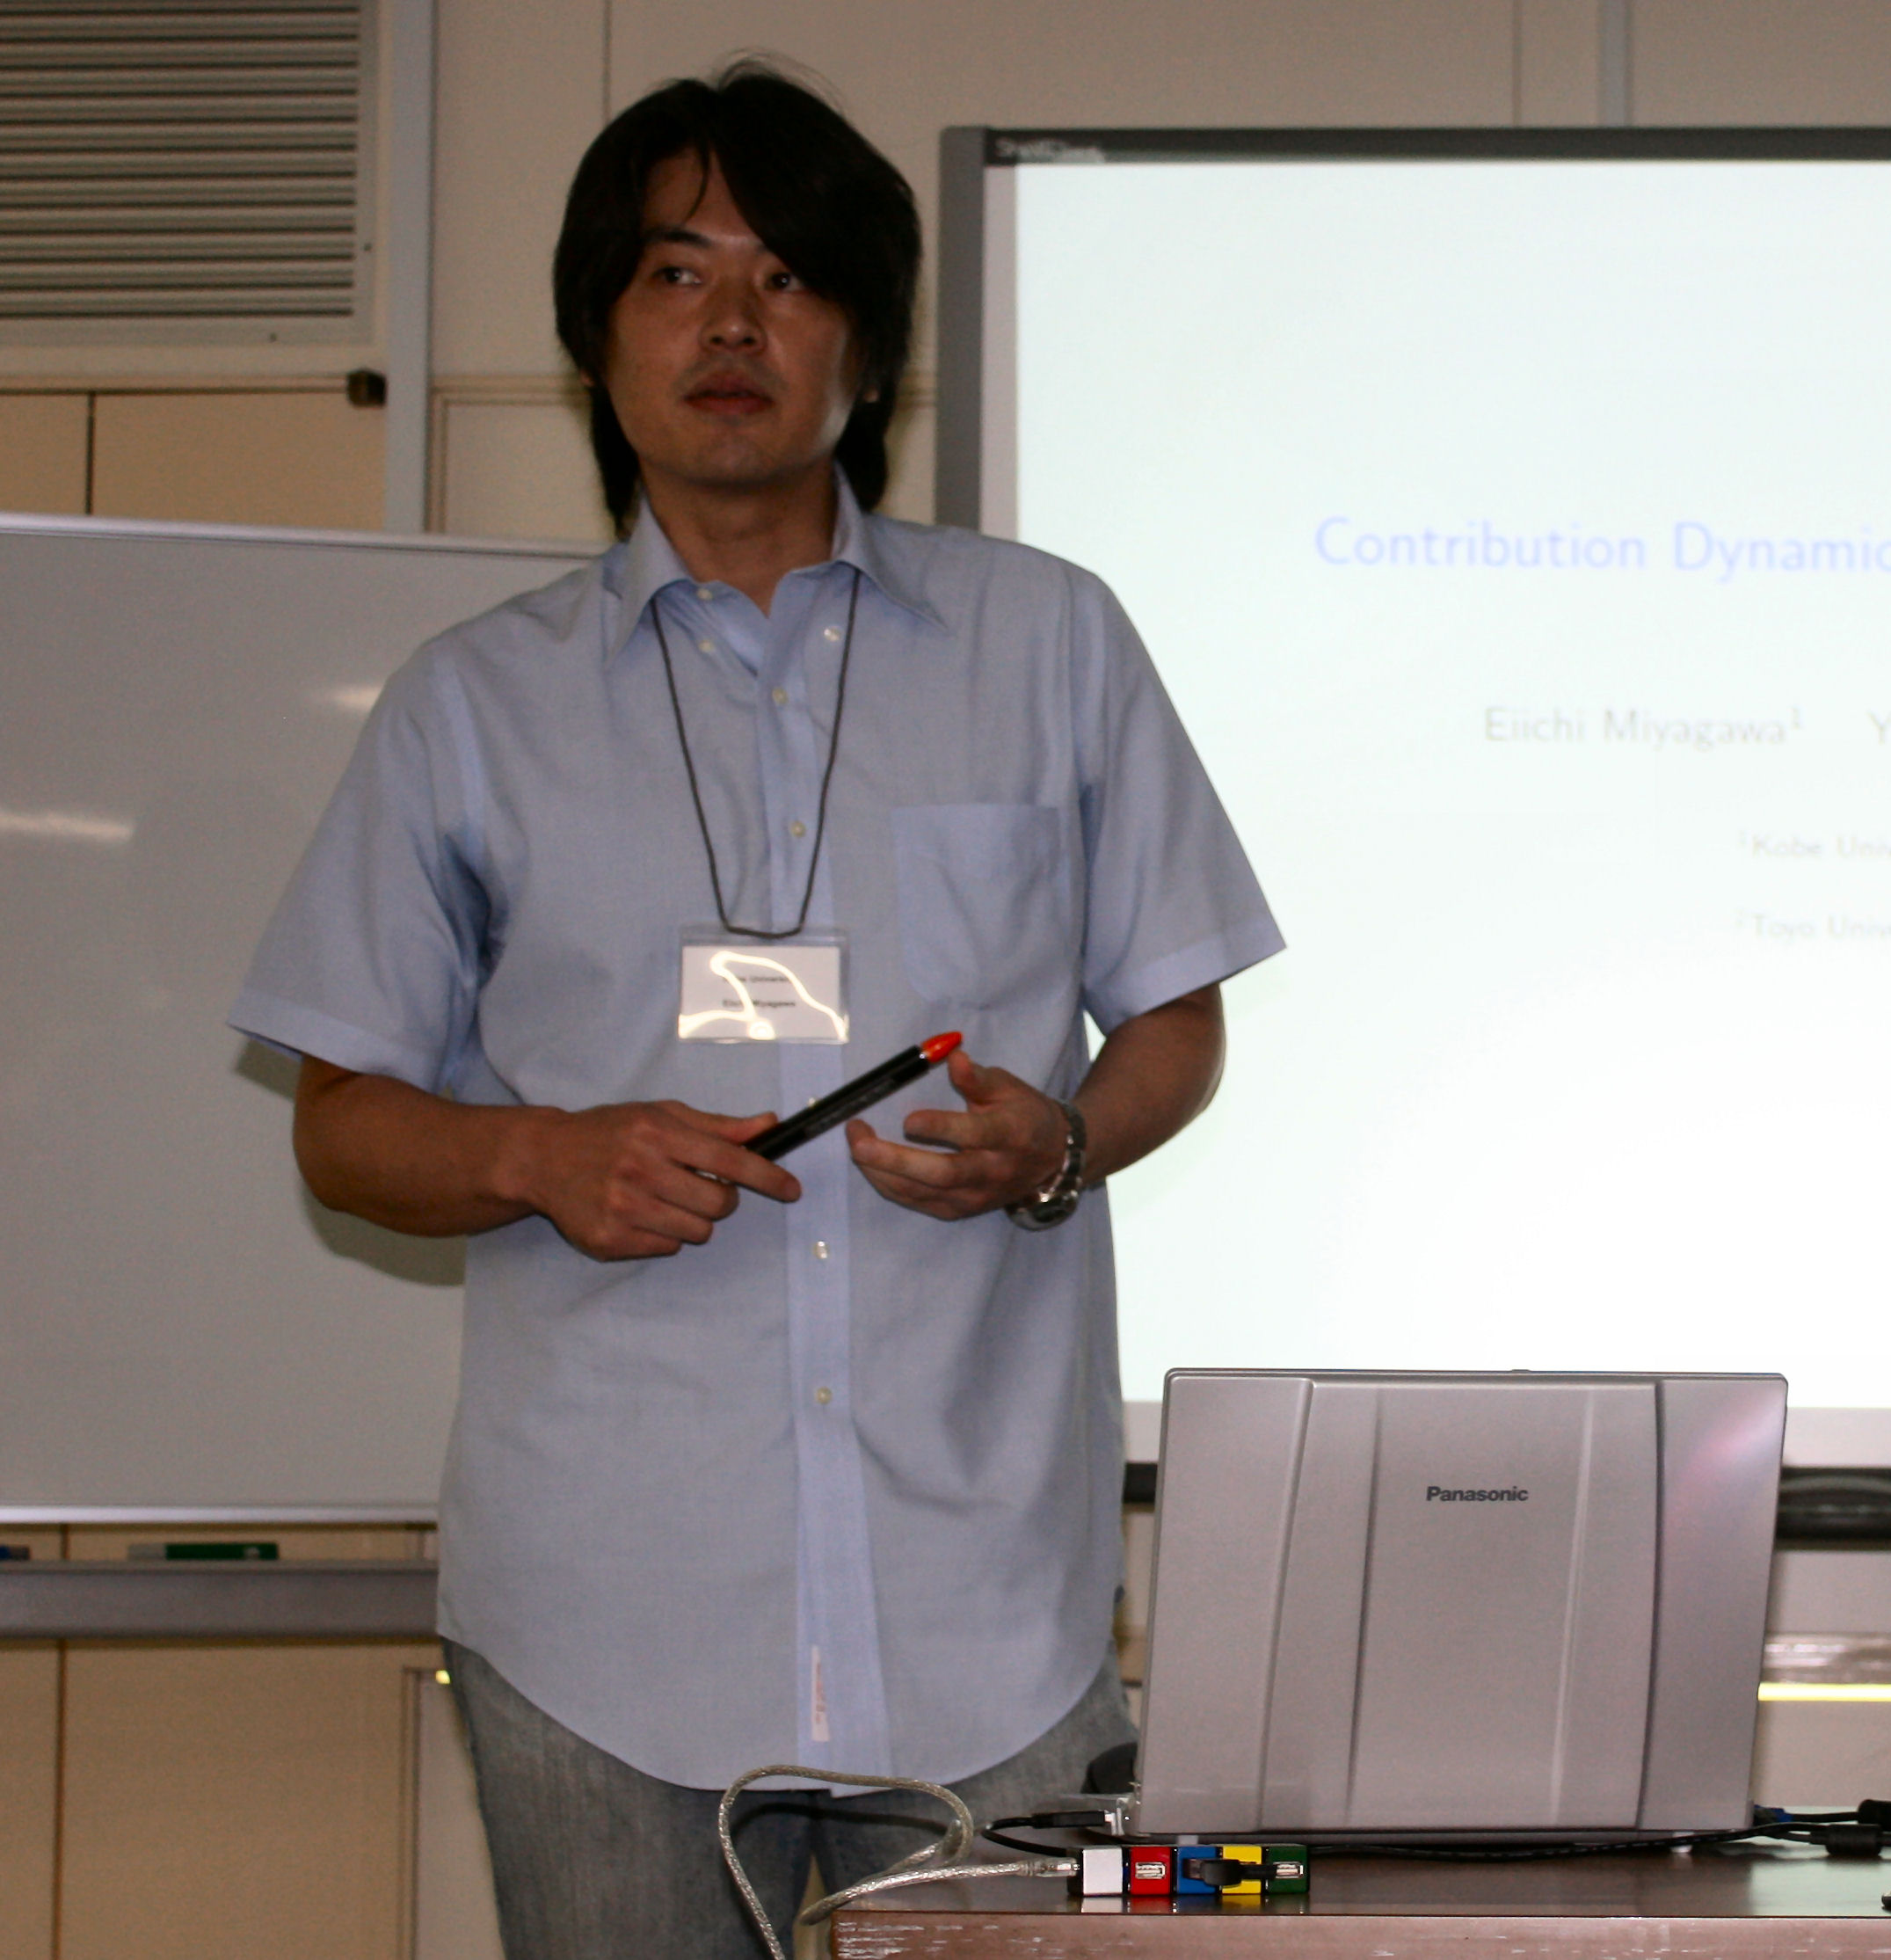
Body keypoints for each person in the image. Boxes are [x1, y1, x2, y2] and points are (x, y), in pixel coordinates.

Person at [229, 62, 1281, 1957]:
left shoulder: (1051, 641)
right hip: (602, 1626)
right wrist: (538, 1155)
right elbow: (342, 1120)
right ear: (598, 339)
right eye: (675, 273)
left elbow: (1177, 1022)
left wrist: (1060, 1141)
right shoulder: (473, 707)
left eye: (787, 277)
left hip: (991, 1616)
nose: (731, 323)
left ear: (868, 348)